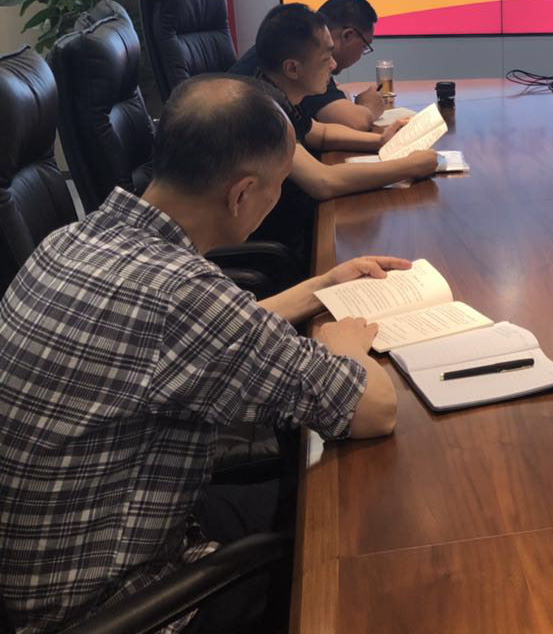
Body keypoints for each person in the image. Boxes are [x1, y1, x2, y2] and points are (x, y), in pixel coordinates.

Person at [0, 76, 403, 633]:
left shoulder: (73, 240)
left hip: (52, 565)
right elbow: (374, 408)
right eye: (278, 186)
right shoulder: (181, 295)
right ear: (241, 194)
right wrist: (343, 345)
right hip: (121, 604)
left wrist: (324, 286)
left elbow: (197, 332)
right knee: (364, 538)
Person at [240, 4, 437, 264]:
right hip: (278, 248)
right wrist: (410, 166)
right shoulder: (262, 111)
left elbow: (318, 133)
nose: (333, 65)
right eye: (326, 59)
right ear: (293, 69)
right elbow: (324, 181)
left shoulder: (277, 91)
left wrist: (380, 141)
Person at [233, 0, 386, 129]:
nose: (332, 64)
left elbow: (317, 133)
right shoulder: (303, 63)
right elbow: (355, 122)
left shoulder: (290, 45)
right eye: (364, 46)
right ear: (347, 35)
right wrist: (369, 107)